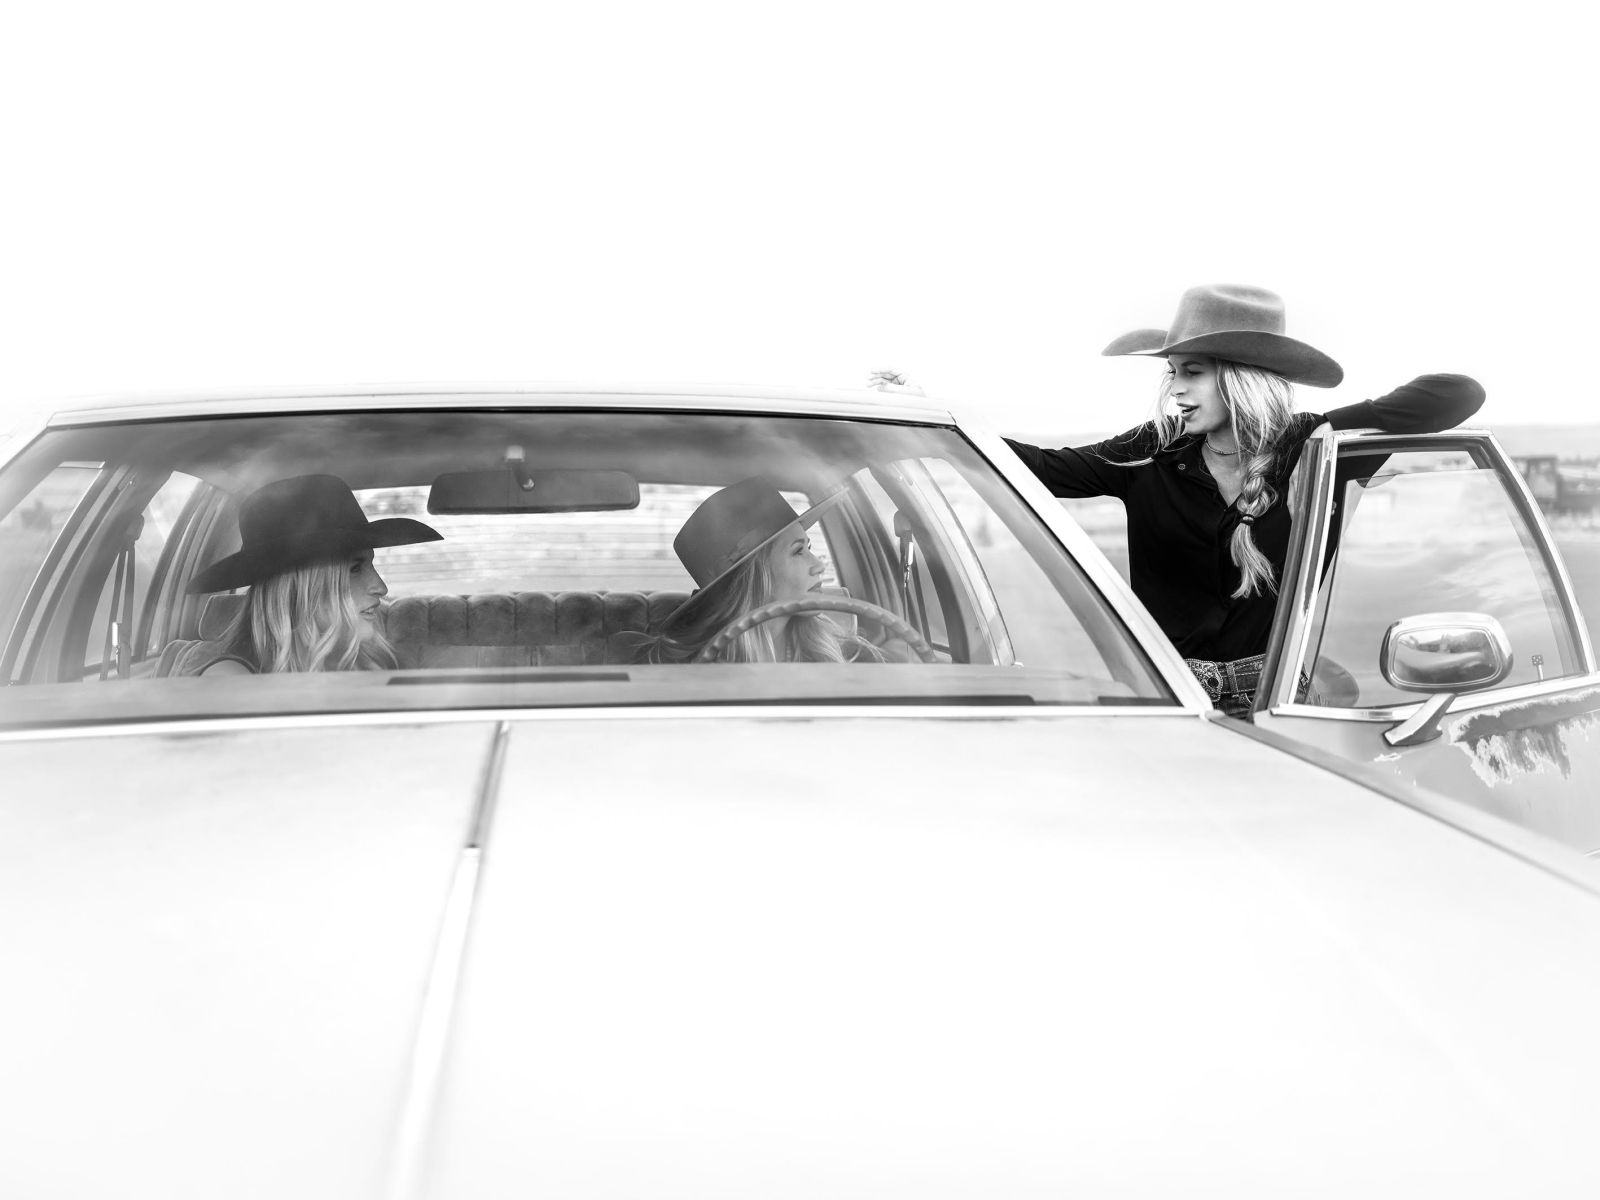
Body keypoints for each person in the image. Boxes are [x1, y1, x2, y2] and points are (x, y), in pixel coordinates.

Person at [1002, 283, 1485, 715]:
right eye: (1172, 373)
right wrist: (941, 425)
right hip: (1168, 696)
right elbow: (1041, 467)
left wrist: (1329, 429)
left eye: (1192, 372)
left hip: (1279, 701)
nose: (1176, 390)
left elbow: (1460, 394)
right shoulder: (1154, 449)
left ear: (1242, 376)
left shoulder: (1314, 448)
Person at [180, 474, 442, 676]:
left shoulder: (366, 661)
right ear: (301, 589)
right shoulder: (232, 681)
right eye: (354, 568)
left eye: (370, 565)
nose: (381, 587)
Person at [621, 476, 886, 664]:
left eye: (809, 547)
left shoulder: (850, 658)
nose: (818, 565)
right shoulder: (675, 672)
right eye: (797, 551)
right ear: (755, 576)